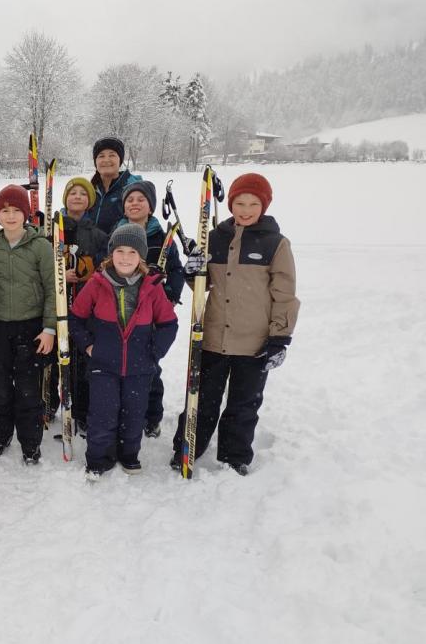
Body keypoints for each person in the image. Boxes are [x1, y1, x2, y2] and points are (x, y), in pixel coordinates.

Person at [171, 173, 299, 476]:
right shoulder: (213, 238)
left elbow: (285, 293)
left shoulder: (276, 244)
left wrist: (279, 338)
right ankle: (187, 447)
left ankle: (235, 455)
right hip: (213, 337)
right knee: (201, 400)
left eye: (253, 203)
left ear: (264, 205)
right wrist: (192, 272)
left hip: (254, 343)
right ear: (230, 203)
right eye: (240, 202)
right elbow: (203, 286)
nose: (245, 209)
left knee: (243, 405)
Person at [69, 224, 178, 479]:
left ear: (141, 256)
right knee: (103, 415)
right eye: (120, 251)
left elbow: (168, 323)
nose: (125, 257)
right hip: (103, 365)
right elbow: (75, 318)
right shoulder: (97, 283)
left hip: (139, 367)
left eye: (132, 252)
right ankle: (98, 459)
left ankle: (129, 455)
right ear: (111, 254)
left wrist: (155, 352)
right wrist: (88, 345)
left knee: (134, 413)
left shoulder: (152, 286)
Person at [0, 185, 56, 464]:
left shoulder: (41, 246)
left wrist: (49, 329)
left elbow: (52, 290)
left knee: (27, 389)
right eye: (5, 211)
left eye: (16, 211)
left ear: (26, 214)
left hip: (31, 328)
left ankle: (31, 443)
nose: (10, 216)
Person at [116, 180, 185, 437]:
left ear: (150, 206)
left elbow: (176, 269)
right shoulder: (117, 234)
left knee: (149, 365)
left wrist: (169, 295)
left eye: (140, 200)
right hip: (122, 310)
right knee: (121, 365)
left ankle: (151, 415)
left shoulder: (162, 238)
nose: (135, 204)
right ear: (123, 207)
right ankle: (125, 412)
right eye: (130, 200)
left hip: (151, 313)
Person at [57, 176, 109, 433]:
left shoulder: (98, 234)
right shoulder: (54, 230)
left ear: (89, 201)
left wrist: (90, 275)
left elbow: (105, 267)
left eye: (82, 193)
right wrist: (60, 274)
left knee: (83, 359)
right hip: (58, 302)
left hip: (87, 308)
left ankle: (82, 411)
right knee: (59, 357)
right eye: (72, 193)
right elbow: (44, 264)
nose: (77, 197)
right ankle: (57, 403)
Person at [89, 138, 142, 234]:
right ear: (95, 161)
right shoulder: (89, 190)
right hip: (89, 248)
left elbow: (145, 222)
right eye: (101, 156)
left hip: (121, 247)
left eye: (112, 155)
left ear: (120, 160)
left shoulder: (134, 189)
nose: (106, 160)